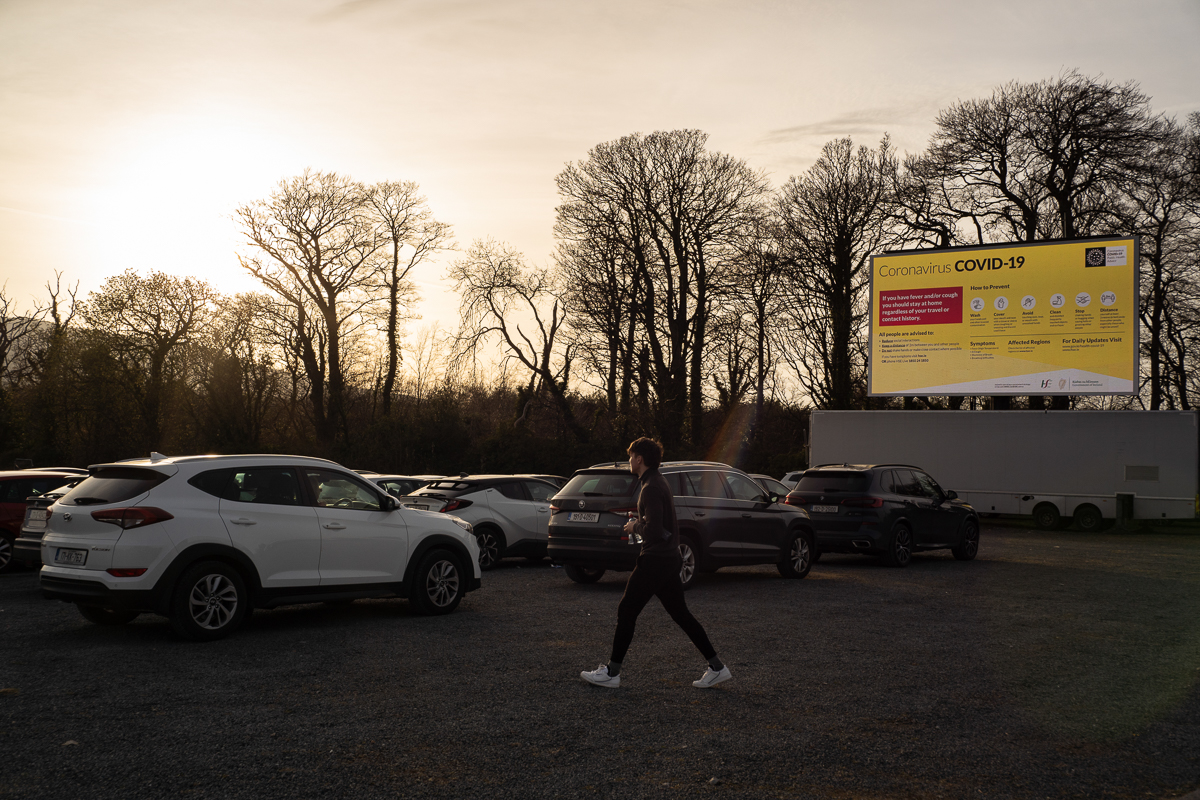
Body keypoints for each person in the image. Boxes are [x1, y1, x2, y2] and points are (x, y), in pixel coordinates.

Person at [580, 437, 731, 689]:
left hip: (655, 559)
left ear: (640, 459)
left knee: (627, 610)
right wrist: (641, 522)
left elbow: (654, 530)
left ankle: (611, 673)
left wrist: (633, 526)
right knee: (681, 614)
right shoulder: (658, 482)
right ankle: (717, 667)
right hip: (669, 558)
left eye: (631, 456)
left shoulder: (650, 487)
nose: (629, 460)